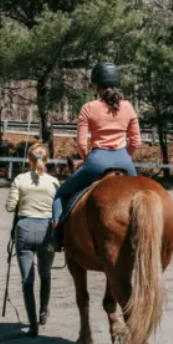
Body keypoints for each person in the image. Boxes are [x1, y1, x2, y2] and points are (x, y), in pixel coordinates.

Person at [52, 62, 141, 232]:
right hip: (124, 160)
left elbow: (80, 143)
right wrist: (124, 156)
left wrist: (88, 160)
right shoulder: (128, 107)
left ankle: (56, 236)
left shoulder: (89, 108)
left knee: (61, 194)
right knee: (139, 196)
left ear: (96, 85)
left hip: (97, 161)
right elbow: (136, 141)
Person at [6, 143, 59, 337]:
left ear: (29, 159)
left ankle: (33, 325)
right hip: (46, 230)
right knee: (45, 274)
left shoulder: (20, 179)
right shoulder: (54, 182)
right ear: (47, 160)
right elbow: (57, 208)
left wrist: (21, 201)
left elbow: (10, 207)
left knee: (27, 280)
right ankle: (43, 311)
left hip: (25, 229)